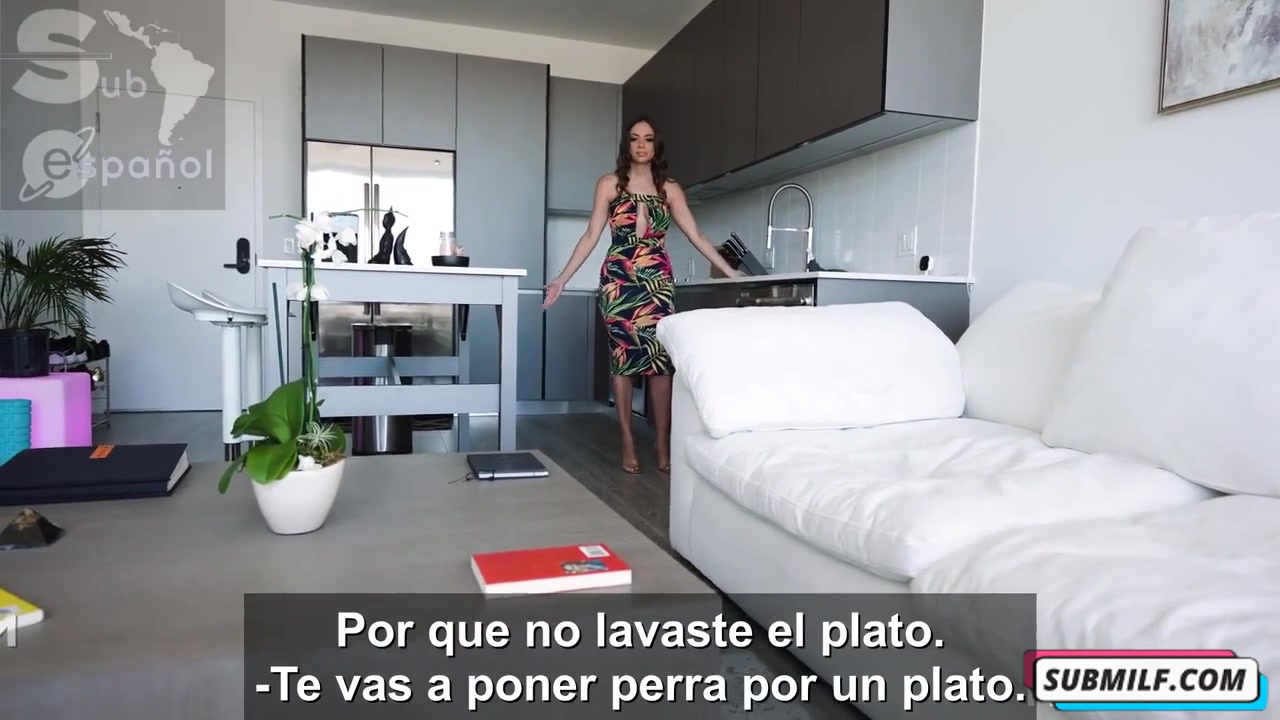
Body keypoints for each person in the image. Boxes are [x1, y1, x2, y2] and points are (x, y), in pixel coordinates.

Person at [543, 117, 741, 474]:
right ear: (627, 145)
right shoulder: (609, 184)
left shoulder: (670, 189)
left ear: (656, 146)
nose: (641, 145)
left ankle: (662, 441)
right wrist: (561, 278)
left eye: (648, 139)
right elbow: (590, 236)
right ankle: (627, 440)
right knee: (622, 360)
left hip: (657, 283)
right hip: (619, 282)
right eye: (635, 139)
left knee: (660, 362)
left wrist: (729, 271)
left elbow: (696, 235)